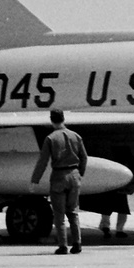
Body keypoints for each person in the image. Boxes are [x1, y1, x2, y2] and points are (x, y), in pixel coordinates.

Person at [31, 109, 88, 255]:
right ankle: (77, 243)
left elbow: (43, 161)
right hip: (74, 176)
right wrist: (79, 173)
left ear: (51, 120)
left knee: (59, 214)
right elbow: (84, 157)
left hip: (59, 177)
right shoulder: (76, 136)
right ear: (63, 118)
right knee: (73, 212)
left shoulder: (50, 138)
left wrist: (35, 180)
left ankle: (63, 246)